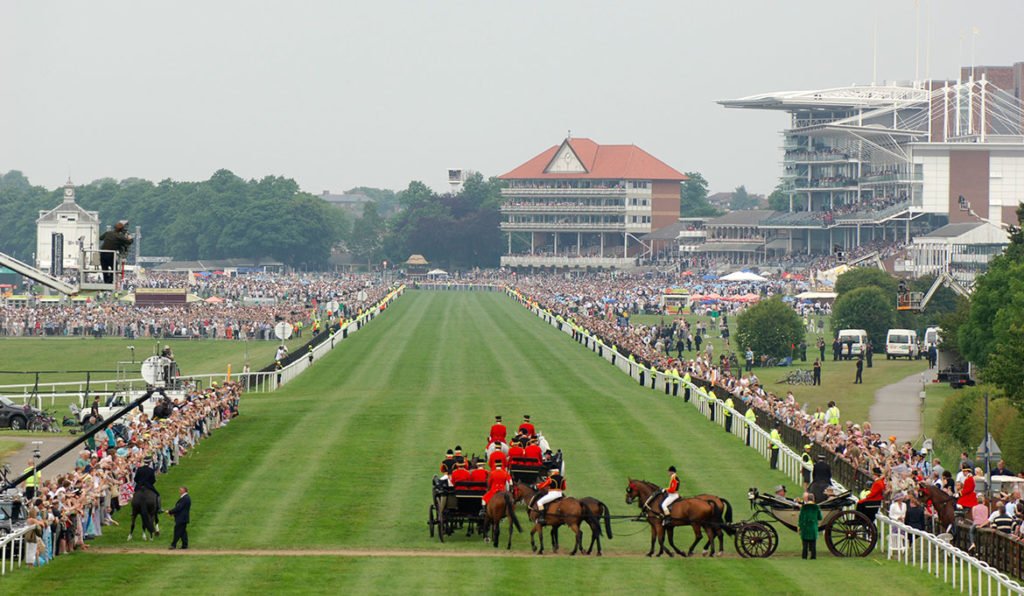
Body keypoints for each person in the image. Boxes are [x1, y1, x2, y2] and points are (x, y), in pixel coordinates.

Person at [798, 493, 822, 560]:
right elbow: (820, 517)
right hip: (813, 527)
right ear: (813, 499)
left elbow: (801, 518)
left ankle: (804, 556)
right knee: (813, 544)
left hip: (805, 527)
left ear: (807, 499)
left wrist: (799, 526)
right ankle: (813, 556)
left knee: (805, 544)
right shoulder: (817, 507)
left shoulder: (803, 507)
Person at [167, 486, 191, 550]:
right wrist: (172, 513)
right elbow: (180, 509)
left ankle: (173, 545)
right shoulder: (186, 498)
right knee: (183, 532)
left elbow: (179, 508)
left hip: (181, 518)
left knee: (177, 531)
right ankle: (185, 545)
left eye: (181, 490)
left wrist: (170, 511)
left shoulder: (185, 498)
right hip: (183, 518)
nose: (179, 491)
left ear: (184, 491)